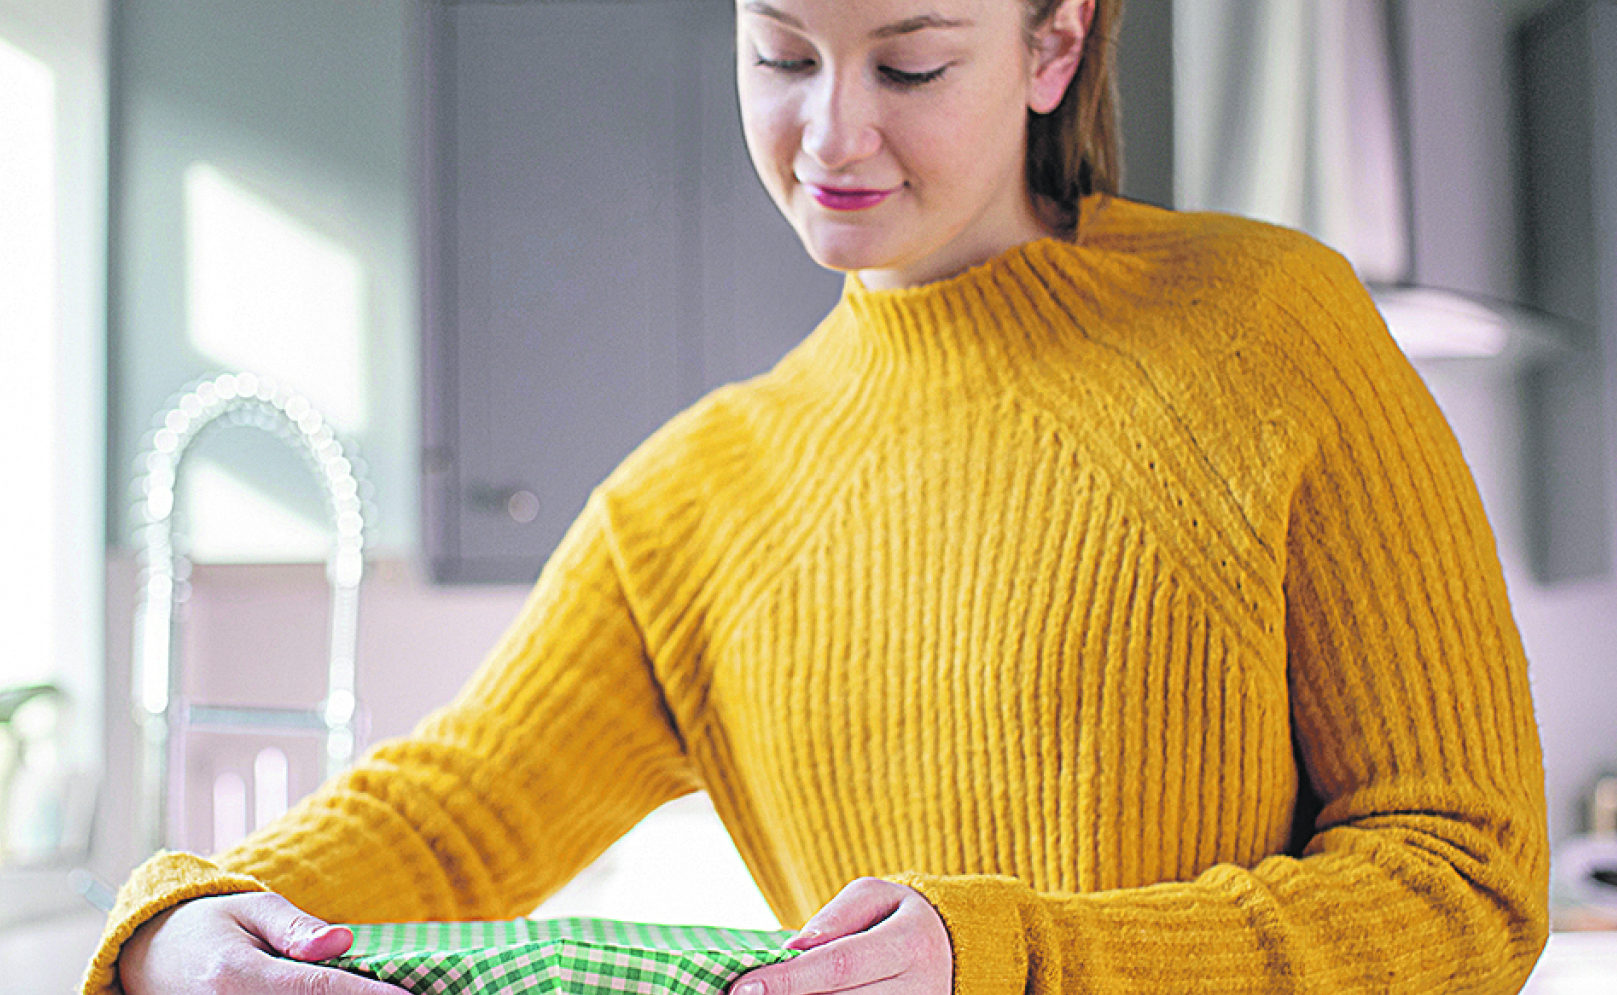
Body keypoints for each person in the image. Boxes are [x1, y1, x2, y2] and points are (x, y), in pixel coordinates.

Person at [88, 0, 1551, 992]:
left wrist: (1000, 958)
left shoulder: (1265, 328)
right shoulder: (698, 494)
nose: (831, 137)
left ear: (1054, 42)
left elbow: (1466, 890)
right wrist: (183, 927)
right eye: (780, 53)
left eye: (908, 66)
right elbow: (457, 814)